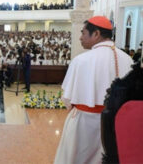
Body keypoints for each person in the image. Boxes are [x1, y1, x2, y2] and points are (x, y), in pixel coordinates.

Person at [54, 16, 133, 164]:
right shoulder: (128, 59)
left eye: (83, 33)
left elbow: (67, 98)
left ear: (96, 34)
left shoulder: (81, 60)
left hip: (84, 123)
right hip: (117, 124)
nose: (80, 37)